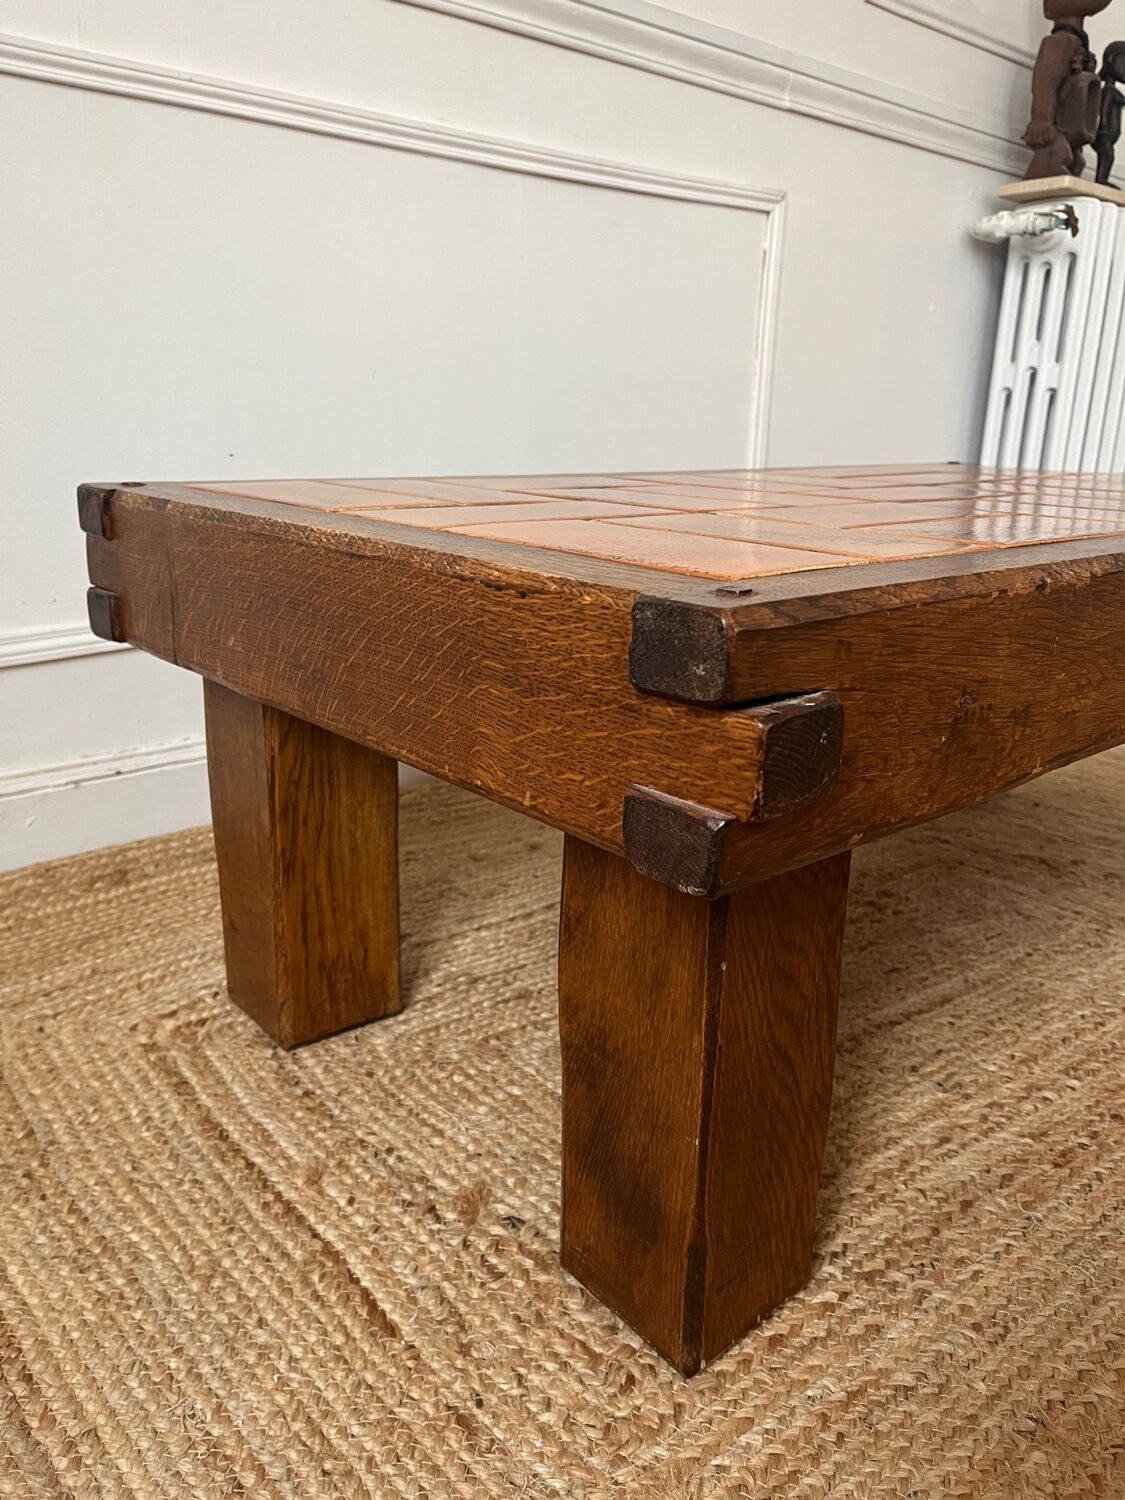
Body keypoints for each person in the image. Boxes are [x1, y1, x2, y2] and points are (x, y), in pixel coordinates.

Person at [1024, 0, 1113, 180]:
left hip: (1070, 129)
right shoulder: (1059, 41)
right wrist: (1041, 120)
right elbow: (1044, 81)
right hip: (1056, 131)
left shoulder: (1076, 43)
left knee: (1076, 161)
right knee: (1058, 155)